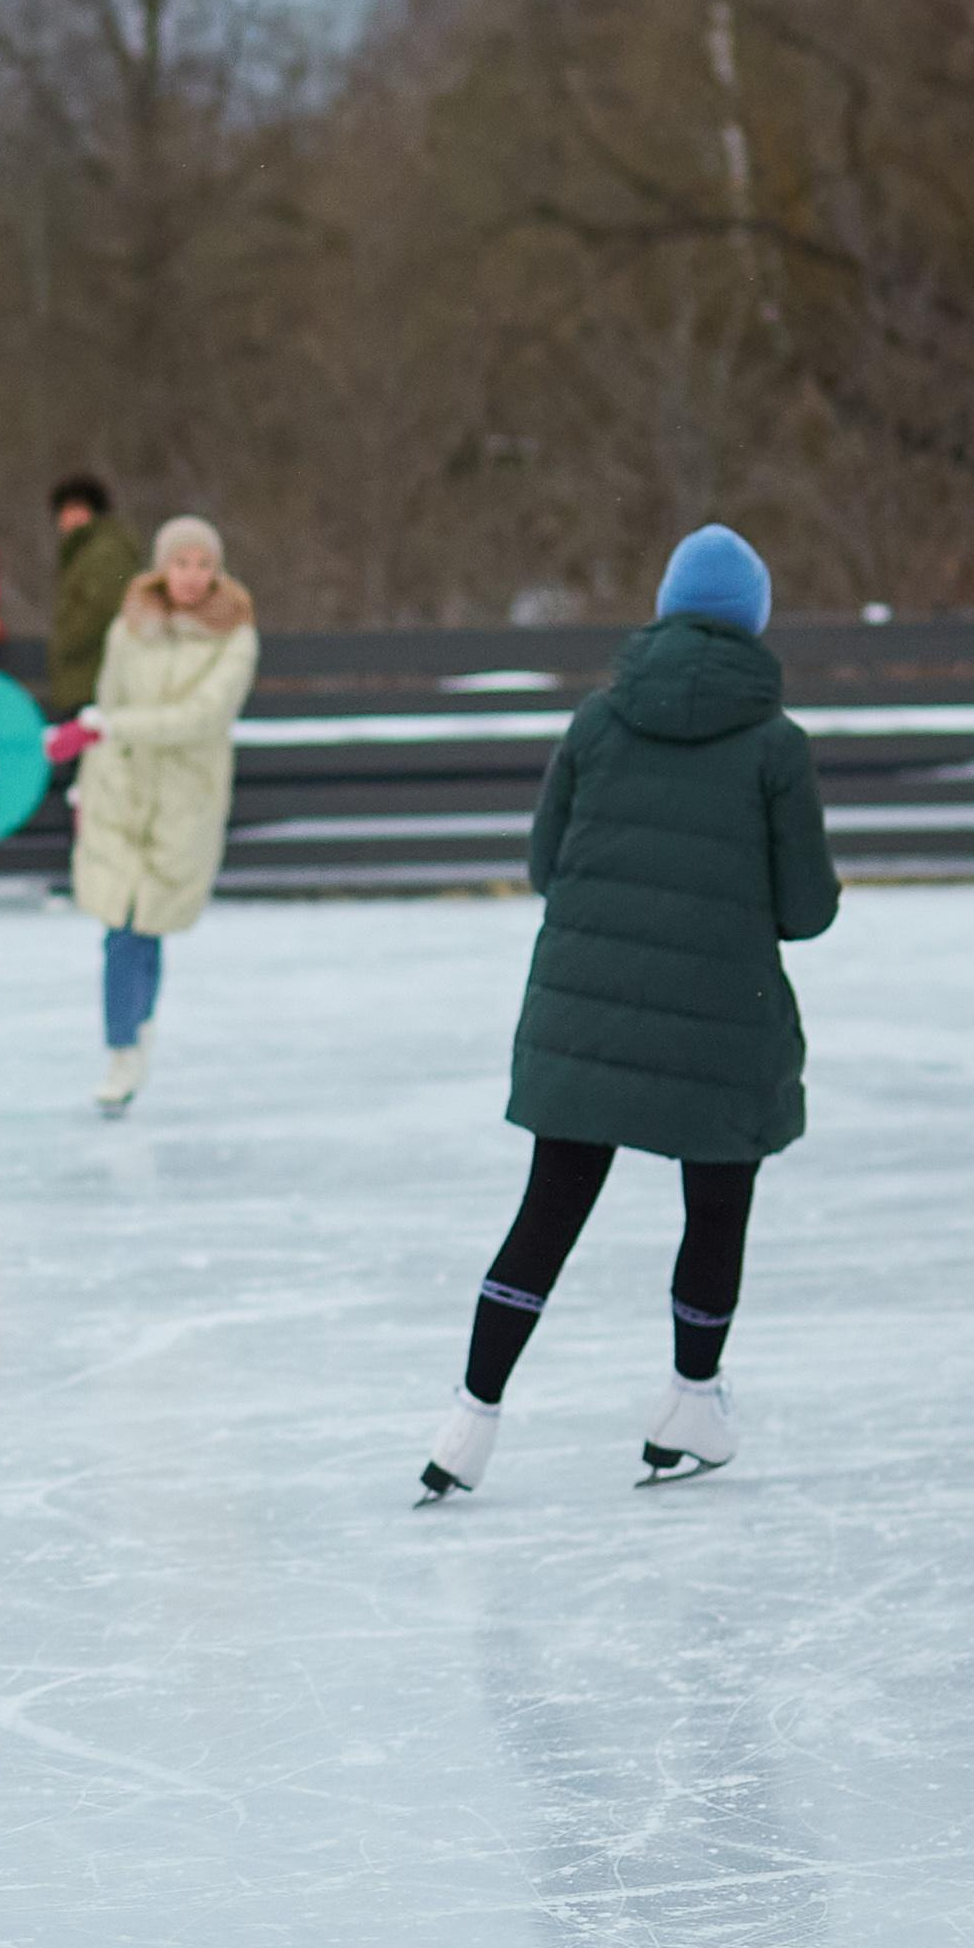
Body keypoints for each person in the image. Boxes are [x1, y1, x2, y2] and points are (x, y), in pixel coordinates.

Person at [419, 523, 839, 1500]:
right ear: (752, 623)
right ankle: (690, 1400)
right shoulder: (776, 746)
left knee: (547, 1213)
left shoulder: (597, 722)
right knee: (715, 1207)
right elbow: (806, 910)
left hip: (587, 1020)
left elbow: (544, 866)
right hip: (718, 1023)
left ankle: (467, 1420)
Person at [45, 513, 258, 1114]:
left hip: (183, 801)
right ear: (163, 567)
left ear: (217, 571)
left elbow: (204, 717)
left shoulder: (235, 635)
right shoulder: (130, 625)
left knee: (148, 922)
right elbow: (107, 703)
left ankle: (135, 1030)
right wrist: (87, 786)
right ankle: (123, 1046)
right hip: (120, 791)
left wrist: (110, 728)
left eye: (203, 564)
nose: (191, 575)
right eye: (181, 562)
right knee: (121, 926)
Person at [44, 472, 140, 720]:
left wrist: (66, 644)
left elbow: (102, 609)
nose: (66, 519)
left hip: (94, 676)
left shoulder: (104, 550)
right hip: (86, 675)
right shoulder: (85, 550)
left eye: (73, 509)